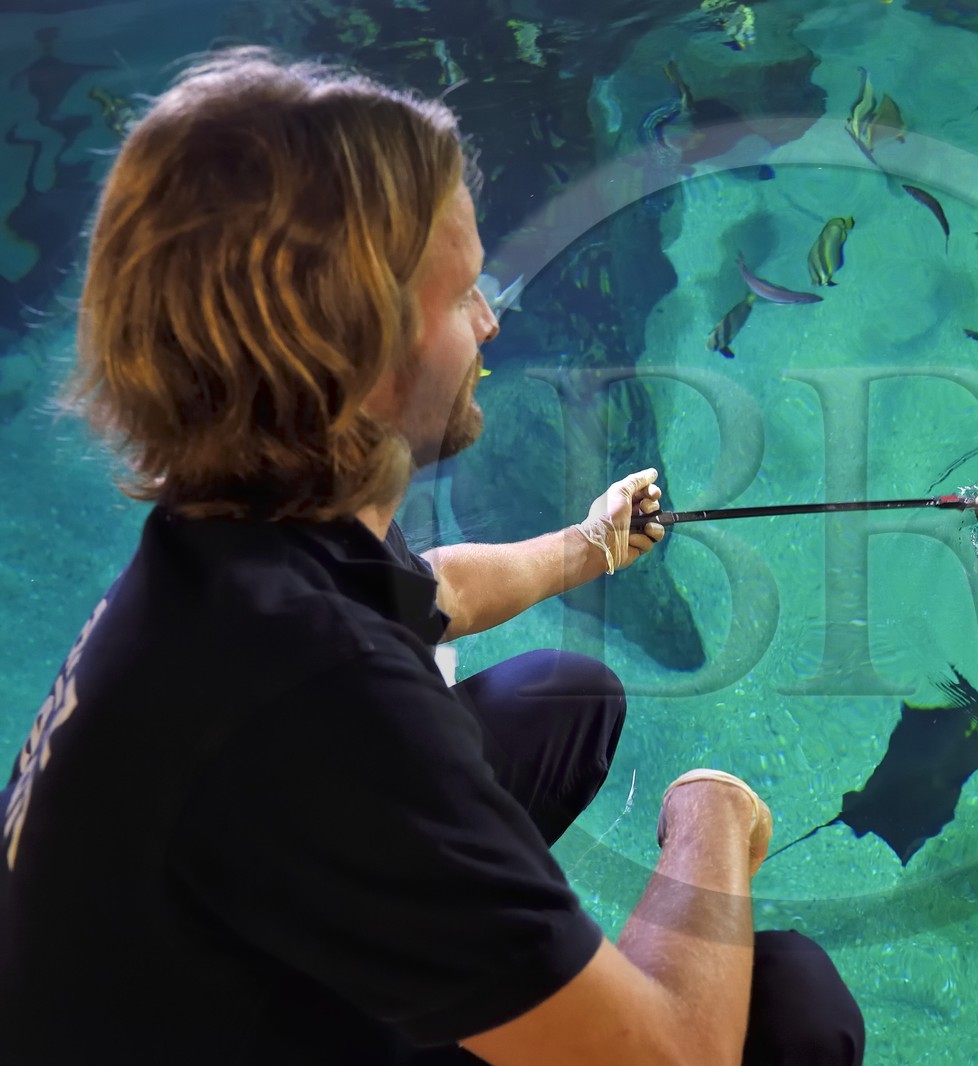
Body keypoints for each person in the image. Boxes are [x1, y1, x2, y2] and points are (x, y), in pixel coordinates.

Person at [0, 47, 864, 1065]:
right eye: (462, 296)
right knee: (794, 1004)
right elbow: (671, 1057)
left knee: (564, 696)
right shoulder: (325, 702)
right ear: (354, 359)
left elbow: (425, 590)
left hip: (203, 979)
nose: (493, 319)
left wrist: (588, 547)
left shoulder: (237, 525)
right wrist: (709, 815)